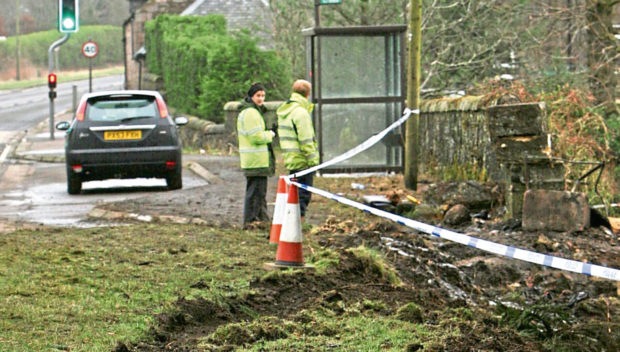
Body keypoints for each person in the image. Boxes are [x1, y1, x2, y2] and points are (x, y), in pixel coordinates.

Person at [276, 79, 319, 222]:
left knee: (293, 193)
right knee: (303, 194)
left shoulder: (285, 110)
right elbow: (306, 139)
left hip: (291, 160)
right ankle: (298, 224)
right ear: (308, 94)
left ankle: (291, 222)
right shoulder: (301, 113)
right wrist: (313, 161)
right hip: (302, 162)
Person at [237, 82, 276, 229]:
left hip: (255, 160)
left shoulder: (250, 111)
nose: (261, 98)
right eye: (258, 95)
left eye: (263, 95)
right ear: (251, 96)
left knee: (258, 192)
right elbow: (256, 137)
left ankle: (261, 219)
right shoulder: (251, 113)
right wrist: (271, 134)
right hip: (256, 160)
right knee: (255, 193)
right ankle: (252, 221)